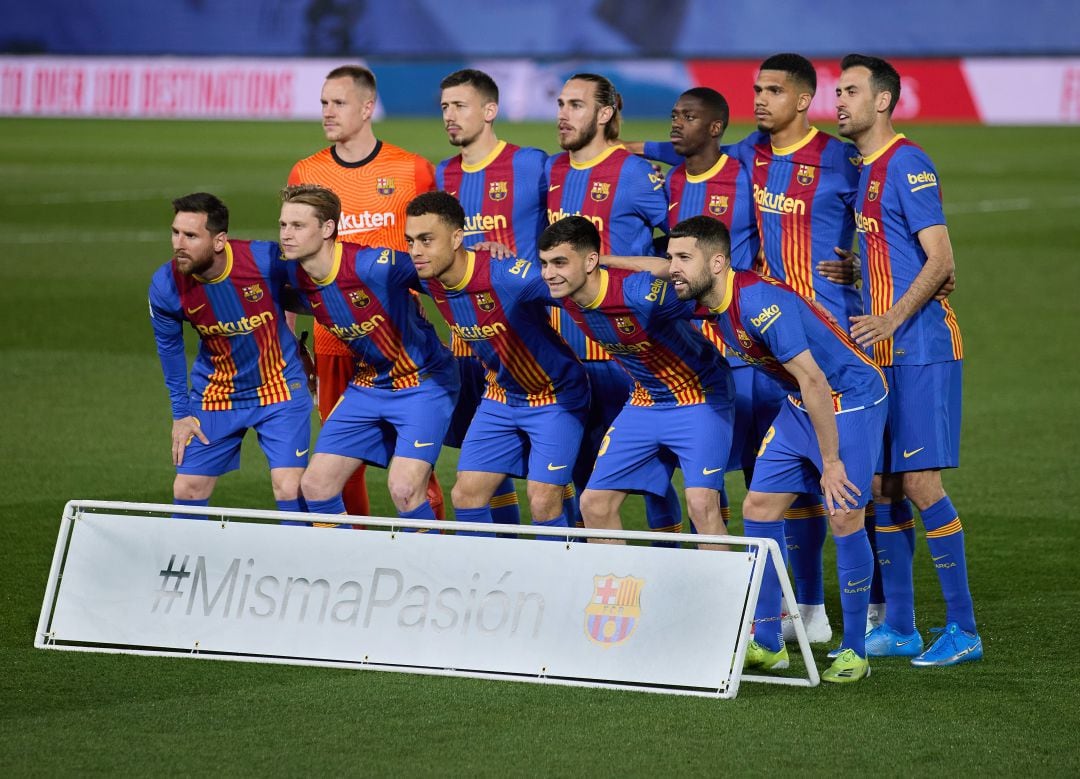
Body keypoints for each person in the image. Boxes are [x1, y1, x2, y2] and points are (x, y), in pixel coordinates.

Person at [634, 55, 867, 641]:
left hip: (829, 342)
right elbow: (684, 148)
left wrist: (861, 263)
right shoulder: (746, 155)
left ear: (804, 98)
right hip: (751, 342)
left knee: (849, 484)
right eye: (756, 89)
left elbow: (881, 224)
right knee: (760, 483)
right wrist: (624, 143)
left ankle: (826, 609)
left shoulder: (844, 157)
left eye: (772, 90)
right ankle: (770, 611)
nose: (759, 99)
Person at [646, 214, 888, 683]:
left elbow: (815, 378)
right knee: (758, 508)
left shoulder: (758, 303)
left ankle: (856, 650)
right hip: (803, 403)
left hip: (850, 398)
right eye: (670, 257)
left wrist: (831, 461)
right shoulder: (712, 297)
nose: (670, 267)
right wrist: (607, 261)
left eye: (681, 258)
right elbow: (804, 386)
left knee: (842, 514)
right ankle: (768, 641)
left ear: (716, 263)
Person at [836, 54, 981, 667]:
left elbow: (941, 258)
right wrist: (858, 272)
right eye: (836, 91)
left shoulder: (907, 162)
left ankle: (964, 630)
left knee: (921, 483)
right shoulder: (862, 167)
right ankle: (899, 626)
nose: (838, 102)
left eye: (850, 91)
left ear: (885, 100)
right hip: (880, 352)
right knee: (880, 484)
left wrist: (892, 317)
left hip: (919, 349)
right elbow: (893, 250)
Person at [287, 64, 443, 520]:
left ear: (368, 106)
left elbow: (438, 257)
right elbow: (294, 266)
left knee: (414, 471)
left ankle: (434, 553)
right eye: (323, 103)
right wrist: (290, 345)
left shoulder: (412, 170)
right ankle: (352, 561)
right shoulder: (307, 172)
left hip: (401, 349)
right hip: (333, 341)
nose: (328, 112)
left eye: (338, 102)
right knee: (340, 468)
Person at [539, 216, 734, 547]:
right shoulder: (559, 289)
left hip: (699, 397)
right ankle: (617, 598)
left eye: (559, 263)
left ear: (589, 262)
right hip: (645, 401)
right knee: (594, 504)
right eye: (544, 263)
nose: (548, 273)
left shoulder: (639, 294)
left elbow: (712, 291)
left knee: (702, 507)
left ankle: (732, 599)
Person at [404, 192, 589, 537]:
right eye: (411, 241)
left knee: (543, 501)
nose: (416, 251)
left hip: (555, 396)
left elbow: (582, 289)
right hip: (500, 397)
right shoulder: (426, 274)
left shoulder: (508, 277)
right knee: (466, 495)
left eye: (427, 240)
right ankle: (487, 584)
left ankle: (561, 583)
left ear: (457, 238)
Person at [546, 72, 682, 540]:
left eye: (576, 105)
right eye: (561, 103)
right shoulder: (553, 171)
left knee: (654, 482)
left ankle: (679, 569)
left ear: (605, 114)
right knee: (576, 476)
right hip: (565, 354)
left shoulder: (635, 174)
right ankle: (593, 578)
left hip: (629, 359)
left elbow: (687, 244)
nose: (563, 114)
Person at [278, 185, 458, 525]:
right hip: (369, 384)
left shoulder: (373, 265)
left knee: (405, 488)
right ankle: (351, 570)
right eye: (283, 225)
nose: (287, 235)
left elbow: (445, 274)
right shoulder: (291, 272)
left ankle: (431, 573)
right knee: (316, 486)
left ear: (328, 229)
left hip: (424, 381)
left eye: (298, 226)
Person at [435, 68, 551, 527]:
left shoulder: (531, 164)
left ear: (489, 110)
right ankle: (502, 567)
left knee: (552, 473)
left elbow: (568, 231)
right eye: (444, 106)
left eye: (459, 105)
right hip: (467, 339)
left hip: (528, 341)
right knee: (482, 465)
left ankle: (569, 559)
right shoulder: (443, 174)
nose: (449, 115)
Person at [149, 192, 312, 517]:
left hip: (279, 389)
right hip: (217, 393)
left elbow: (319, 290)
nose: (179, 243)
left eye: (191, 235)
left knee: (289, 486)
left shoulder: (264, 259)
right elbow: (169, 349)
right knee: (187, 488)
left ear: (219, 240)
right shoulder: (167, 284)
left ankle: (306, 564)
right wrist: (181, 415)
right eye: (175, 232)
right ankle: (185, 566)